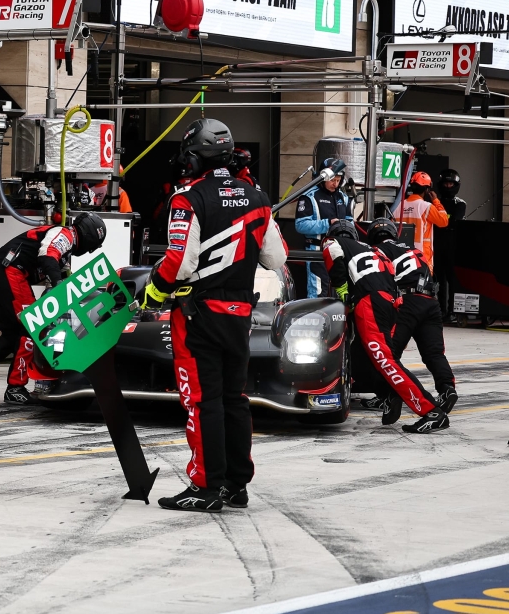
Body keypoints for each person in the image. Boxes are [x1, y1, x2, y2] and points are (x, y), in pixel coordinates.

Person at [140, 119, 287, 513]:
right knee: (234, 399)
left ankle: (205, 487)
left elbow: (179, 263)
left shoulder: (187, 198)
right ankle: (235, 485)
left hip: (198, 315)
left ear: (194, 157)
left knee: (202, 401)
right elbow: (276, 258)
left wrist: (153, 292)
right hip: (240, 314)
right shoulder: (257, 196)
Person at [0, 212, 107, 405]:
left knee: (14, 334)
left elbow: (62, 275)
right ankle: (15, 388)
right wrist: (59, 286)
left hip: (0, 272)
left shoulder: (65, 250)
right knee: (33, 327)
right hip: (10, 272)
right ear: (89, 238)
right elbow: (48, 257)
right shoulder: (65, 234)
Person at [324, 217, 448, 433]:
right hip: (391, 301)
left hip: (369, 302)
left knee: (385, 361)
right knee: (364, 358)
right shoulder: (373, 251)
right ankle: (389, 394)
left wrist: (343, 292)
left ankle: (431, 411)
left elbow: (332, 256)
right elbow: (391, 273)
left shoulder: (332, 242)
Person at [367, 218, 457, 412]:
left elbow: (379, 280)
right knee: (434, 353)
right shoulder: (414, 250)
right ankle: (447, 389)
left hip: (407, 303)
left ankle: (388, 396)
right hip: (431, 302)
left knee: (388, 355)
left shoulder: (376, 252)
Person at [294, 158, 352, 299]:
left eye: (338, 180)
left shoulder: (343, 197)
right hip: (317, 252)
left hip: (339, 251)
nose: (335, 184)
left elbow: (350, 222)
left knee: (341, 293)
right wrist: (328, 224)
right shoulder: (309, 196)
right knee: (317, 293)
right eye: (332, 180)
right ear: (323, 177)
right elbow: (300, 225)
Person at [432, 168, 466, 321]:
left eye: (451, 184)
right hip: (436, 245)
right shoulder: (433, 203)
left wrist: (443, 220)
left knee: (452, 280)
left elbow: (452, 222)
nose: (448, 186)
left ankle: (453, 311)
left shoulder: (460, 204)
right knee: (438, 280)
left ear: (456, 185)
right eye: (445, 184)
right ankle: (440, 310)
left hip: (453, 247)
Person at [397, 171, 448, 269]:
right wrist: (436, 201)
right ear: (427, 189)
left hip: (402, 257)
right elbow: (444, 221)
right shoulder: (426, 207)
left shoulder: (399, 206)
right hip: (422, 259)